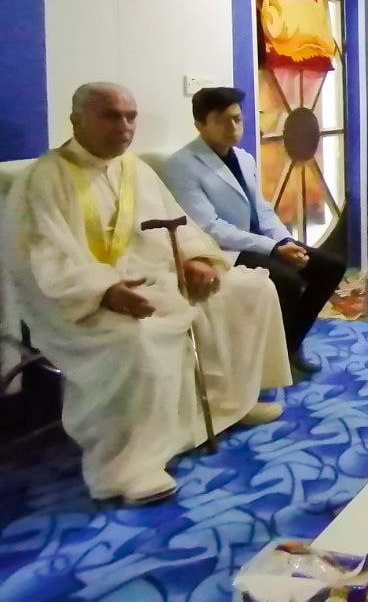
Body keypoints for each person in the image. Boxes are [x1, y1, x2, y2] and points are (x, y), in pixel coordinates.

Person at [4, 83, 291, 504]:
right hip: (78, 301)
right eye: (111, 116)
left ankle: (231, 404)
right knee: (136, 336)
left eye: (130, 116)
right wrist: (105, 291)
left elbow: (179, 225)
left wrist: (195, 260)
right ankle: (129, 465)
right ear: (76, 120)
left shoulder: (134, 170)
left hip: (157, 279)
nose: (124, 126)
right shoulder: (44, 179)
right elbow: (43, 257)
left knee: (249, 289)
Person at [166, 87, 343, 374]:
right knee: (287, 281)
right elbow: (210, 227)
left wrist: (285, 240)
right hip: (225, 250)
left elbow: (262, 210)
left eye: (237, 119)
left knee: (330, 266)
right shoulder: (182, 165)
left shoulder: (243, 158)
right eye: (222, 121)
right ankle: (268, 358)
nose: (232, 127)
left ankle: (289, 343)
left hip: (260, 242)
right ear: (200, 124)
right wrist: (273, 248)